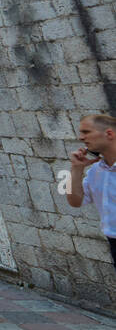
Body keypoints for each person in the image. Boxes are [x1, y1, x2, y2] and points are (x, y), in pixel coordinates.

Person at [68, 114, 116, 268]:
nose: (81, 138)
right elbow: (75, 201)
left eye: (86, 132)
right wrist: (76, 169)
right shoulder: (96, 171)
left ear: (109, 134)